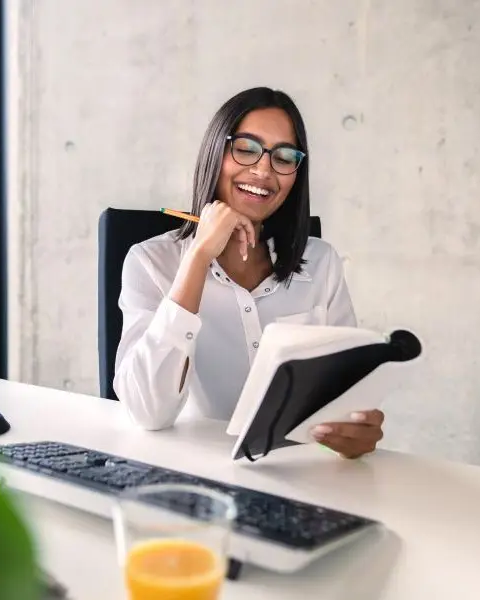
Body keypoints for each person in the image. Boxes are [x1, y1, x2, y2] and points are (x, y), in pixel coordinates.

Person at [113, 87, 384, 459]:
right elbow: (147, 412)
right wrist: (198, 256)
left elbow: (345, 398)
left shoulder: (322, 262)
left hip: (298, 475)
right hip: (193, 477)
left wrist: (355, 431)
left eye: (284, 157)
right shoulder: (150, 262)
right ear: (216, 152)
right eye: (246, 148)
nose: (263, 170)